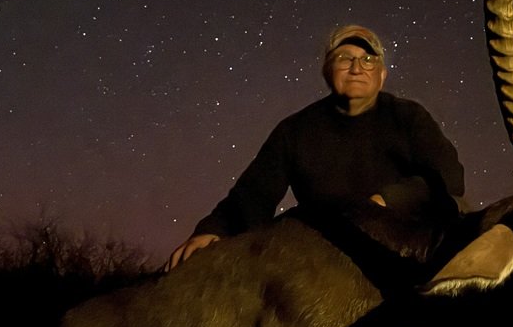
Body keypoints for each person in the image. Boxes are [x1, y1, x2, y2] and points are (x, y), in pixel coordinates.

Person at [167, 24, 465, 270]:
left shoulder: (409, 116)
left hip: (406, 243)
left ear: (382, 75)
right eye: (345, 58)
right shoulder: (294, 130)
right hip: (324, 252)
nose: (357, 67)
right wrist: (212, 230)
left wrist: (384, 201)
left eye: (368, 59)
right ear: (327, 71)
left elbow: (451, 178)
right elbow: (252, 196)